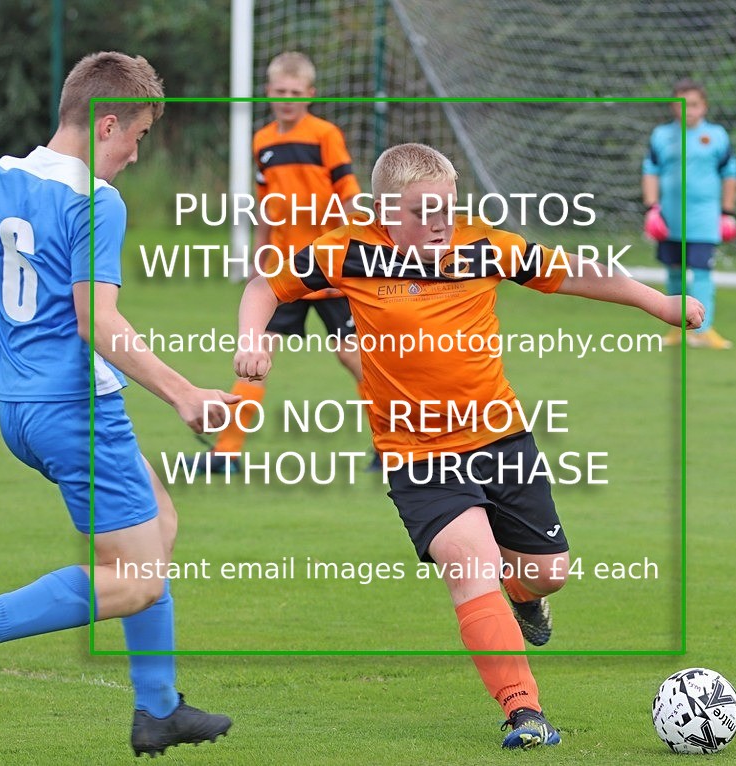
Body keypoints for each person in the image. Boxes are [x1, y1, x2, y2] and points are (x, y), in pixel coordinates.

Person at [233, 143, 705, 749]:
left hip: (503, 439)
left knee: (548, 574)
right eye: (422, 212)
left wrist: (659, 302)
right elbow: (263, 286)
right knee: (470, 563)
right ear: (383, 211)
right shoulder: (346, 250)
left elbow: (576, 271)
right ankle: (524, 713)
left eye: (446, 210)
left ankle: (523, 593)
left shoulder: (483, 246)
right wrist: (254, 339)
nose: (438, 224)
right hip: (416, 453)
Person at [0, 52, 237, 756]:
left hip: (19, 407)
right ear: (107, 122)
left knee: (158, 525)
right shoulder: (96, 201)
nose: (137, 156)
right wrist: (185, 394)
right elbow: (97, 323)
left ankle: (159, 709)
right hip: (75, 410)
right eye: (136, 138)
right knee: (137, 581)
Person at [205, 51, 369, 474]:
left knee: (354, 359)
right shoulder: (263, 141)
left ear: (310, 95)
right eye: (280, 92)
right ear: (268, 92)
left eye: (295, 93)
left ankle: (394, 446)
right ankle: (226, 453)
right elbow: (266, 207)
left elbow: (350, 196)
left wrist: (359, 252)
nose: (287, 100)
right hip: (287, 272)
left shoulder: (325, 135)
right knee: (256, 354)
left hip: (331, 271)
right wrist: (261, 259)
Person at [642, 78, 736, 349]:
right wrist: (651, 209)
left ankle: (703, 330)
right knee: (673, 271)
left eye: (694, 104)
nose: (688, 110)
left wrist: (727, 212)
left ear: (704, 106)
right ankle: (677, 327)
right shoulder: (661, 136)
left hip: (705, 219)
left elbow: (730, 174)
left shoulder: (717, 136)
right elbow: (650, 170)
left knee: (701, 271)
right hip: (669, 219)